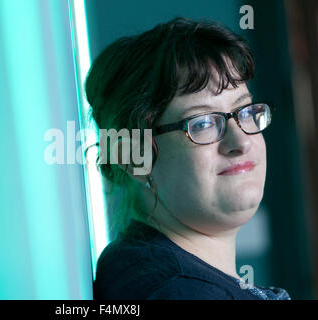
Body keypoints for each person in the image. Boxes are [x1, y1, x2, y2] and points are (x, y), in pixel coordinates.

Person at [85, 17, 291, 300]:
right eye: (203, 122)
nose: (241, 141)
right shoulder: (179, 292)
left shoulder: (145, 270)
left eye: (245, 111)